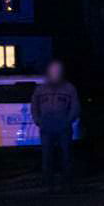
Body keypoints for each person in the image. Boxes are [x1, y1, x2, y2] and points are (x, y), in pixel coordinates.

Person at [32, 60, 80, 192]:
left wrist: (68, 120)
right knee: (47, 156)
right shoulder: (40, 89)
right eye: (53, 70)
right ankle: (49, 185)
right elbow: (34, 106)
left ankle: (67, 185)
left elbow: (75, 106)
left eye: (57, 70)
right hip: (46, 128)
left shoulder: (69, 88)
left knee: (66, 156)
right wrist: (38, 120)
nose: (55, 72)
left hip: (63, 128)